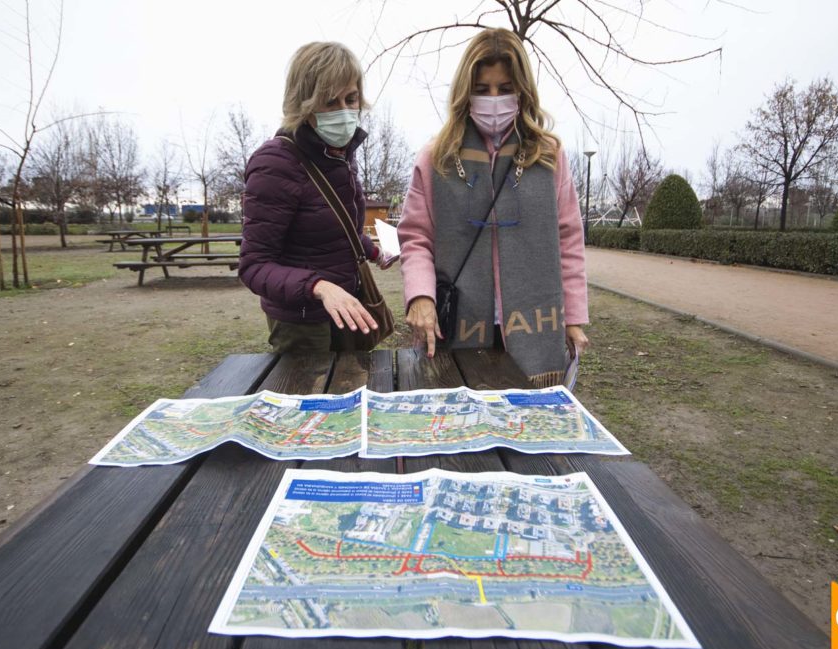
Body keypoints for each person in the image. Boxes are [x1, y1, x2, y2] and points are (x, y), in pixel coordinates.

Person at [397, 28, 590, 387]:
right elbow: (416, 237)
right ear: (465, 92)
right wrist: (420, 296)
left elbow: (568, 239)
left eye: (504, 89)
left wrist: (574, 316)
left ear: (522, 91)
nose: (494, 99)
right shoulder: (437, 157)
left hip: (535, 327)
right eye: (483, 90)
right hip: (458, 324)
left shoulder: (548, 156)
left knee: (529, 430)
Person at [238, 41, 397, 353]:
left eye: (351, 99)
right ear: (305, 104)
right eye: (330, 101)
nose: (345, 111)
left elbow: (337, 228)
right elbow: (254, 266)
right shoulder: (276, 163)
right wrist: (319, 287)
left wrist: (375, 252)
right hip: (303, 324)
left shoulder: (339, 154)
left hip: (347, 309)